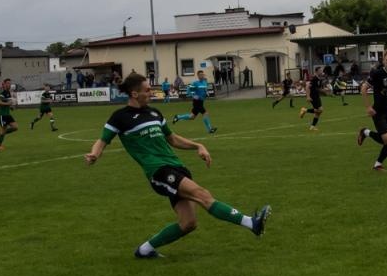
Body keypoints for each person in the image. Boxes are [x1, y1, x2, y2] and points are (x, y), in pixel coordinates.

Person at [84, 72, 270, 259]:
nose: (151, 92)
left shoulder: (154, 112)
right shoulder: (120, 117)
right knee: (202, 194)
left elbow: (172, 139)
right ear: (134, 93)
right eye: (147, 90)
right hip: (159, 172)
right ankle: (252, 223)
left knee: (188, 223)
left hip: (176, 167)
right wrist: (94, 154)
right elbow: (102, 141)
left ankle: (144, 250)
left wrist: (198, 145)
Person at [172, 68, 216, 134]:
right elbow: (188, 89)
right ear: (198, 76)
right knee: (205, 113)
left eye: (202, 74)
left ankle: (178, 117)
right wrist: (193, 95)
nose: (202, 76)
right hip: (196, 102)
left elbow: (205, 89)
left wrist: (207, 93)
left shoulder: (204, 82)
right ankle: (209, 129)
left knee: (192, 117)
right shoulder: (195, 83)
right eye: (200, 75)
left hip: (201, 101)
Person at [0, 78, 18, 150]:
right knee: (4, 129)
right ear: (4, 84)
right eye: (8, 83)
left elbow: (7, 103)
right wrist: (7, 103)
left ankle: (0, 134)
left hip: (8, 114)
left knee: (15, 127)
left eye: (10, 83)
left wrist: (11, 107)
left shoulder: (8, 93)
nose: (9, 84)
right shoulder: (3, 93)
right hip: (2, 115)